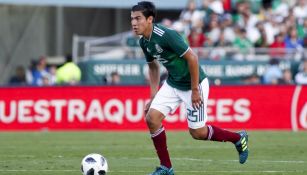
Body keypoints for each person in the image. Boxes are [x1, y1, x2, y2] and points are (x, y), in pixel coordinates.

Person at [131, 2, 249, 175]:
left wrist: (194, 90)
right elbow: (153, 67)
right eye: (132, 19)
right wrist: (153, 97)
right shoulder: (144, 42)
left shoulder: (166, 35)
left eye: (138, 18)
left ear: (150, 19)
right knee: (152, 119)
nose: (134, 23)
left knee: (198, 132)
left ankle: (238, 138)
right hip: (173, 83)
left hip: (195, 84)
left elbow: (192, 58)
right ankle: (166, 167)